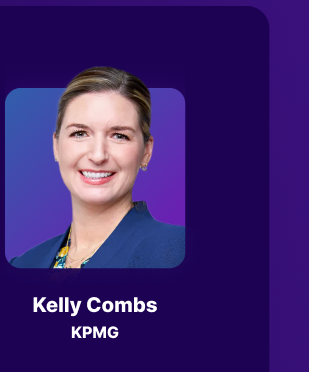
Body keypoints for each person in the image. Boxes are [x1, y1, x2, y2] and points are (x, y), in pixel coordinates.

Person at [10, 67, 184, 269]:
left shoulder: (176, 251)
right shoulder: (23, 264)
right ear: (56, 146)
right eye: (79, 133)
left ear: (146, 151)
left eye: (119, 136)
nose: (98, 155)